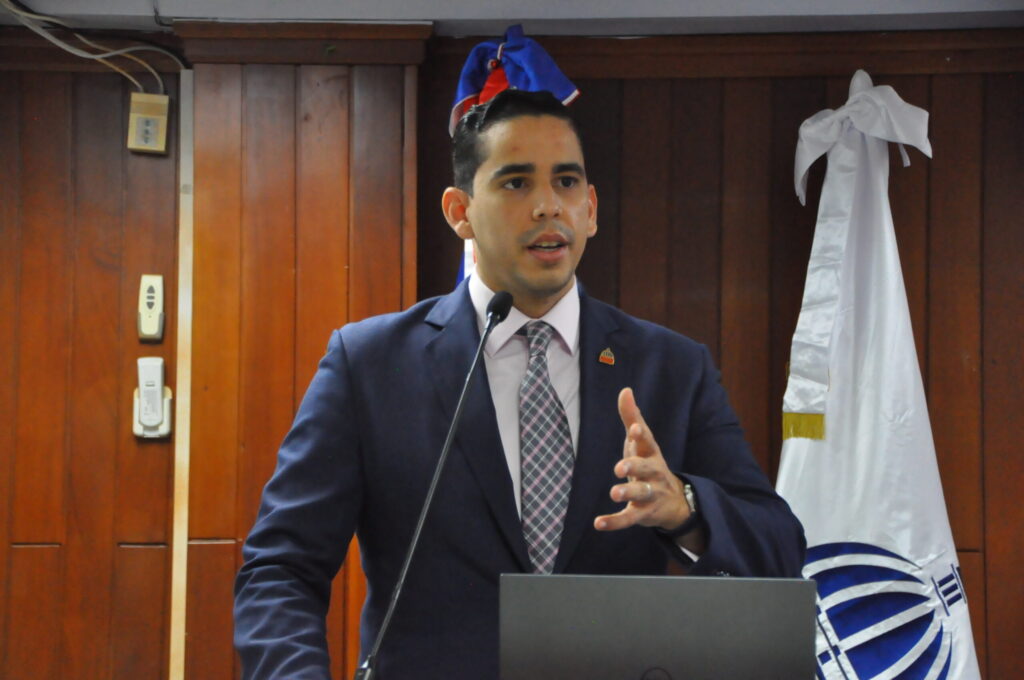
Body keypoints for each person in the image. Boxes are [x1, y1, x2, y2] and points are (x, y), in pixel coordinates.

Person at [234, 89, 806, 679]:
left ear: (591, 208)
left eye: (566, 182)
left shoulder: (671, 369)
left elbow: (780, 551)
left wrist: (684, 508)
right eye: (516, 183)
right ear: (460, 211)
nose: (547, 206)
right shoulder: (371, 365)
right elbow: (280, 569)